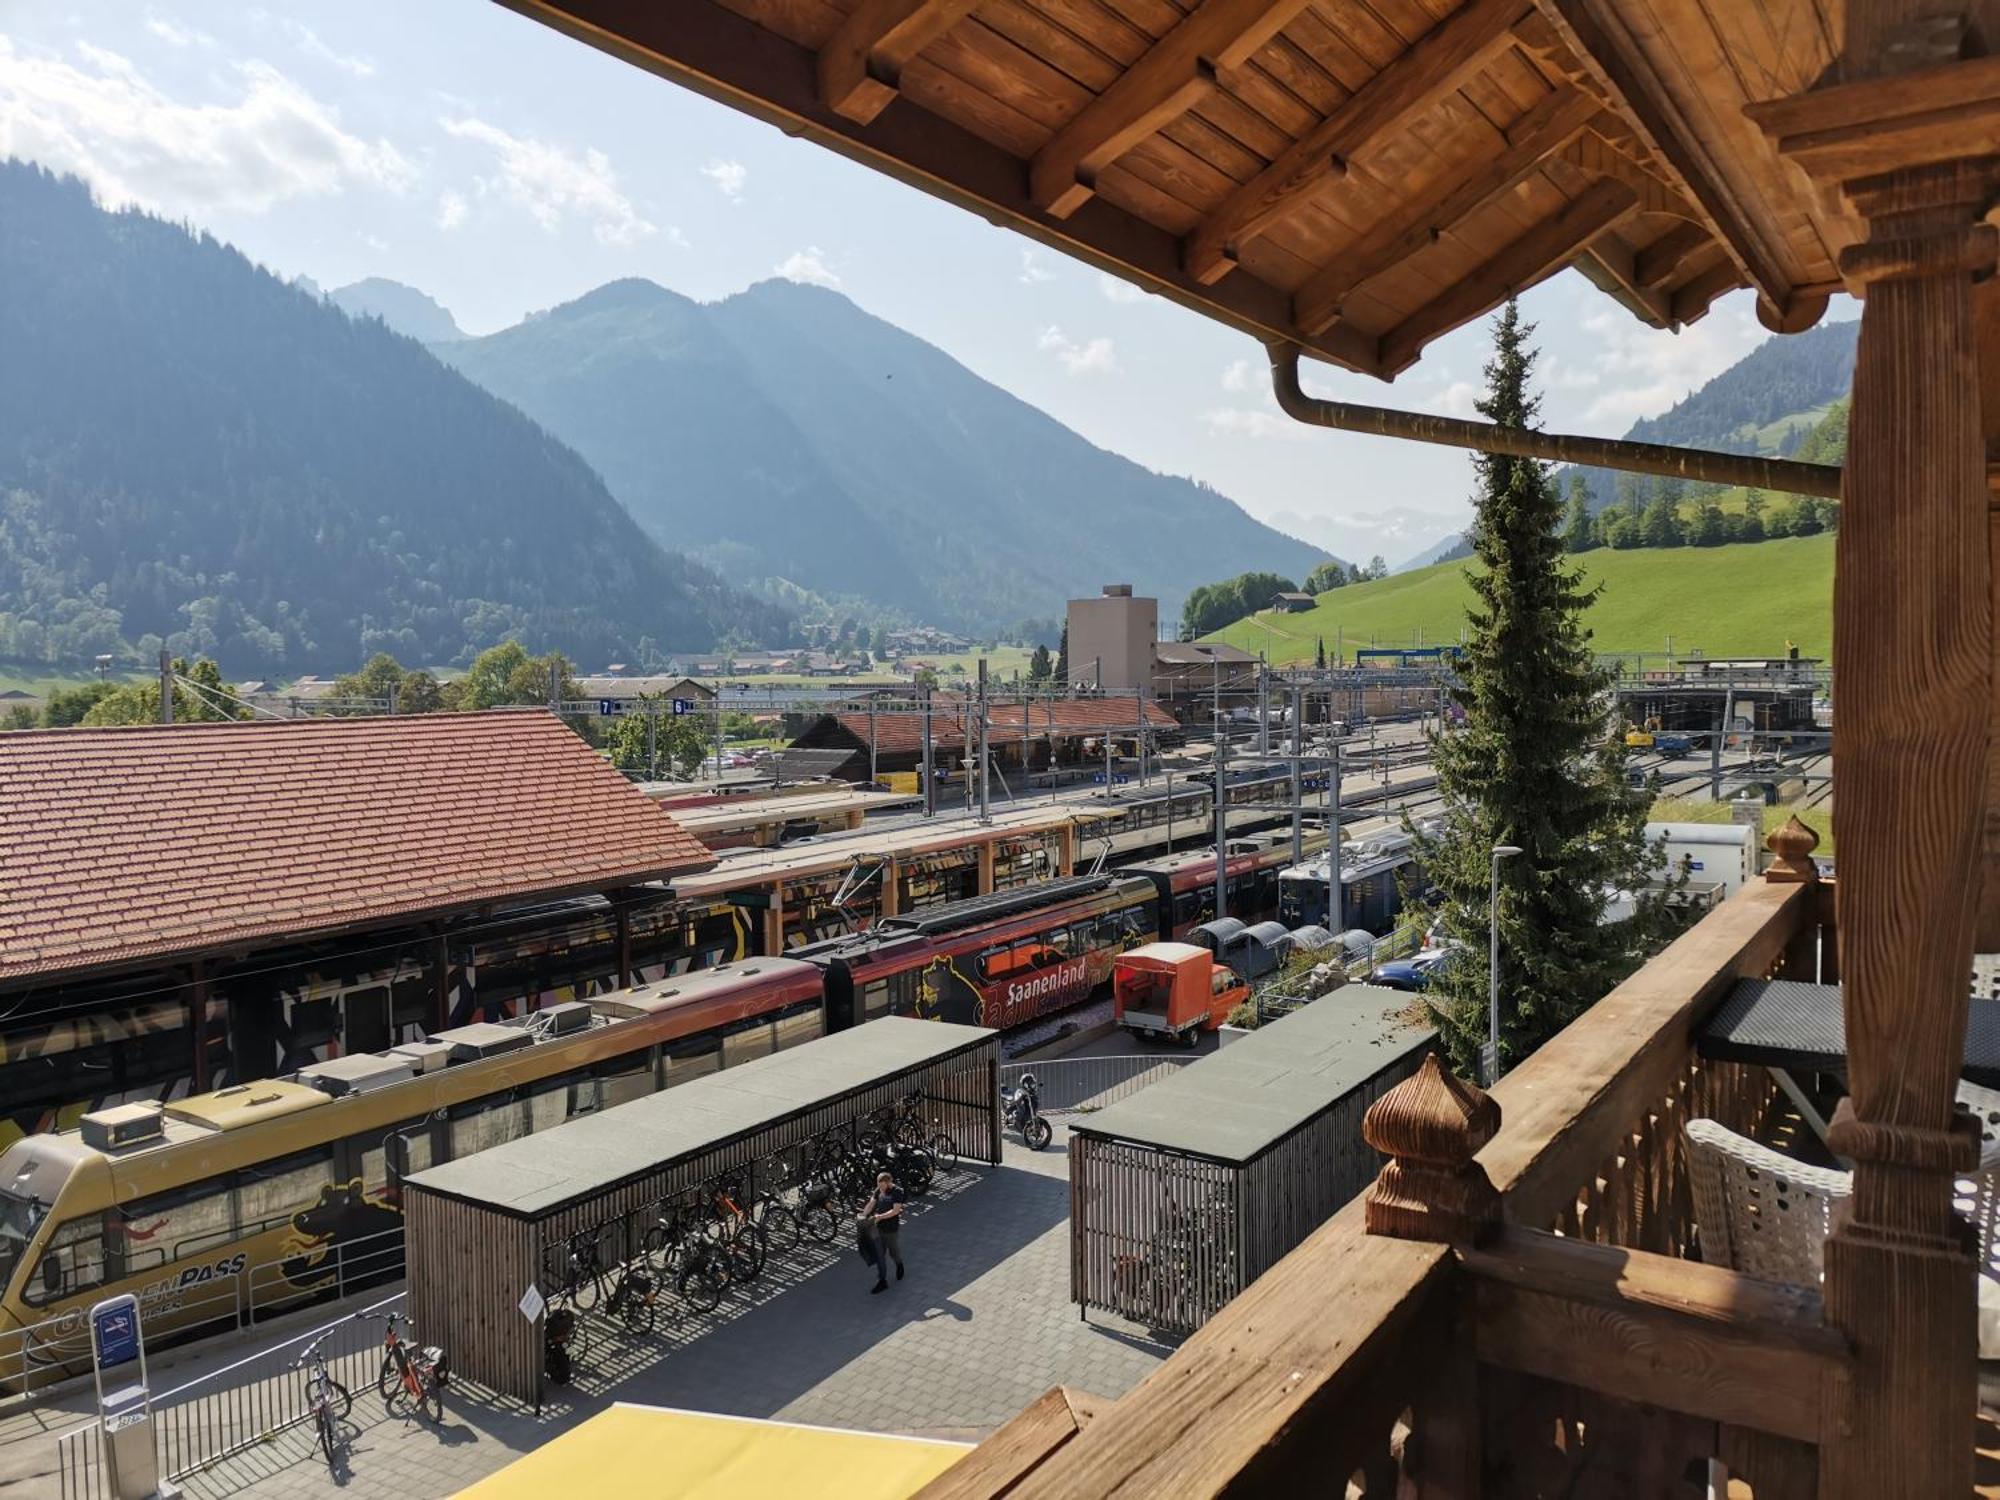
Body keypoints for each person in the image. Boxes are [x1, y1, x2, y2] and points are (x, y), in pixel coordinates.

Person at [860, 1170, 905, 1293]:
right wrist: (863, 1215)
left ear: (889, 1182)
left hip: (891, 1229)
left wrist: (880, 1217)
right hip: (878, 1229)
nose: (881, 1189)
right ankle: (882, 1281)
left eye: (882, 1186)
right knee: (880, 1255)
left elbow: (895, 1211)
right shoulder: (878, 1189)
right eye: (879, 1185)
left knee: (893, 1252)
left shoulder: (897, 1192)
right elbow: (871, 1203)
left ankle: (899, 1264)